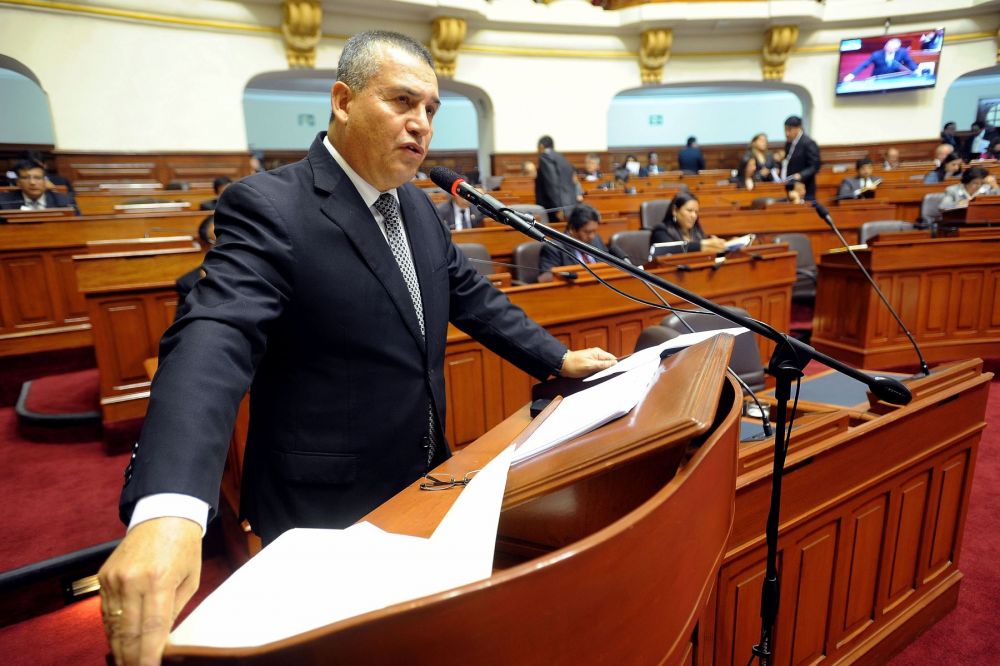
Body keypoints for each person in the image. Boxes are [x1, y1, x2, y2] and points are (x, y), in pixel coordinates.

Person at [97, 31, 617, 666]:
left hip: (423, 478)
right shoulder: (270, 206)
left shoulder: (419, 208)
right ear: (343, 100)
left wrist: (555, 359)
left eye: (430, 109)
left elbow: (469, 294)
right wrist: (170, 505)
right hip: (322, 505)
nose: (421, 124)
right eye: (401, 101)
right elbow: (214, 336)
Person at [537, 204, 609, 282]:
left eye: (594, 231)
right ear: (572, 229)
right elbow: (545, 278)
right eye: (587, 232)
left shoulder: (596, 239)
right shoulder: (554, 248)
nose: (592, 236)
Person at [650, 191, 728, 254]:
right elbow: (671, 250)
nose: (694, 216)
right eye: (689, 210)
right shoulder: (661, 231)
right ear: (675, 210)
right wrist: (703, 244)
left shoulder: (696, 231)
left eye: (696, 212)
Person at [0, 158, 79, 213]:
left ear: (45, 181)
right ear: (18, 182)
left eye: (37, 178)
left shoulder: (65, 201)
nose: (32, 182)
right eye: (26, 178)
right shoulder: (3, 202)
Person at [535, 135, 577, 221]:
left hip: (554, 208)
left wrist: (558, 208)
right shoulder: (562, 158)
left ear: (541, 146)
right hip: (569, 204)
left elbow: (551, 183)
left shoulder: (545, 157)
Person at [780, 116, 821, 200]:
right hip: (790, 185)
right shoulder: (789, 143)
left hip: (804, 187)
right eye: (785, 130)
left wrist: (801, 175)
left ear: (798, 128)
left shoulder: (808, 143)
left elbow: (815, 166)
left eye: (789, 130)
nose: (786, 133)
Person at [841, 37, 918, 82]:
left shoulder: (902, 52)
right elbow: (864, 64)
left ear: (896, 49)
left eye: (891, 47)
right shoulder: (876, 54)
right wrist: (852, 74)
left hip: (895, 78)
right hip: (878, 78)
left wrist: (916, 70)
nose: (887, 48)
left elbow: (909, 61)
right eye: (887, 45)